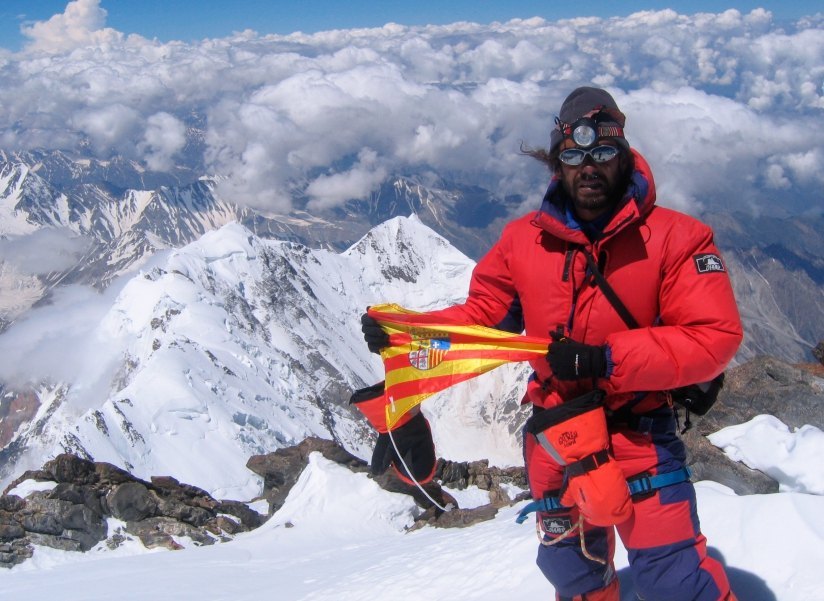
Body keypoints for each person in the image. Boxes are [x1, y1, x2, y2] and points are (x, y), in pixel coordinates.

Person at [359, 86, 743, 601]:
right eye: (573, 155)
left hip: (641, 437)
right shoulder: (523, 242)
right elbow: (484, 319)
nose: (589, 167)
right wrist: (409, 333)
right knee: (575, 576)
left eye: (603, 153)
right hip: (556, 442)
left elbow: (712, 337)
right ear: (556, 164)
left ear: (624, 156)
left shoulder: (679, 238)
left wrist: (607, 359)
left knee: (674, 580)